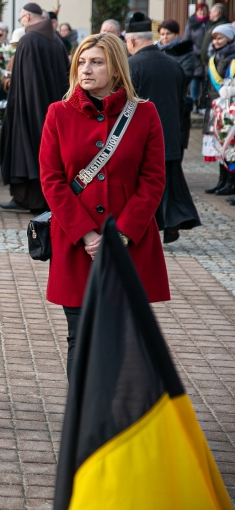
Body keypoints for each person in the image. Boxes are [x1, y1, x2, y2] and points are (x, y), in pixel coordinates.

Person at [39, 32, 168, 378]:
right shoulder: (58, 113)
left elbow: (153, 180)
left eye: (96, 62)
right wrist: (86, 235)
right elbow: (52, 180)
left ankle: (117, 420)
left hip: (130, 246)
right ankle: (85, 424)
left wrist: (120, 235)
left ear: (115, 68)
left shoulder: (144, 114)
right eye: (81, 62)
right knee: (79, 338)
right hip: (76, 244)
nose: (86, 69)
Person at [124, 13, 200, 243]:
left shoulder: (131, 65)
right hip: (172, 134)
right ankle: (172, 222)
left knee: (147, 185)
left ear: (132, 41)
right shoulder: (174, 64)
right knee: (168, 183)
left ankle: (156, 225)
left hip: (142, 136)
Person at [0, 2, 70, 212]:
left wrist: (20, 108)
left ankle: (28, 199)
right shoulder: (56, 41)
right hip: (52, 106)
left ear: (27, 18)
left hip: (29, 107)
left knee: (27, 149)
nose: (22, 22)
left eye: (21, 19)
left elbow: (24, 82)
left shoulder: (28, 40)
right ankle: (42, 199)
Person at [158, 18, 197, 159]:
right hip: (159, 103)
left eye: (168, 34)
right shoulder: (157, 51)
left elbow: (186, 76)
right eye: (161, 34)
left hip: (178, 103)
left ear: (176, 34)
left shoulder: (185, 53)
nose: (164, 37)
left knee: (176, 145)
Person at [204, 24, 235, 194]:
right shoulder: (214, 57)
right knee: (220, 144)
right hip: (216, 106)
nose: (216, 42)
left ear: (229, 39)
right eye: (214, 39)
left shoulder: (233, 58)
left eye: (220, 38)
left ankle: (231, 183)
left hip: (230, 107)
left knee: (230, 146)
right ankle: (222, 181)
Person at [185, 3, 210, 108]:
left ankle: (204, 102)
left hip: (208, 55)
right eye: (200, 10)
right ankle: (194, 102)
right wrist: (195, 51)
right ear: (196, 11)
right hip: (195, 56)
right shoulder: (191, 23)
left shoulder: (210, 22)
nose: (202, 12)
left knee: (206, 79)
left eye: (204, 10)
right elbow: (187, 39)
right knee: (195, 79)